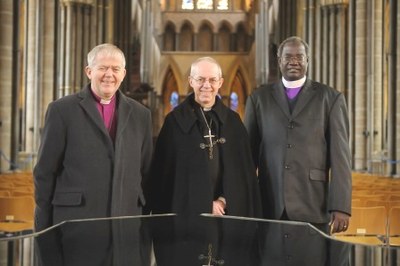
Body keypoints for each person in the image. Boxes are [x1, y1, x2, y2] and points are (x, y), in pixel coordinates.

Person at [34, 43, 153, 265]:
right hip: (76, 230)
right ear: (89, 71)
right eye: (102, 68)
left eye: (116, 69)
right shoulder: (62, 110)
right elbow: (45, 173)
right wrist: (44, 230)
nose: (109, 74)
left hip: (124, 232)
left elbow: (145, 174)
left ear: (124, 74)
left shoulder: (141, 115)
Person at [145, 57, 261, 265]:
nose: (206, 85)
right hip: (186, 221)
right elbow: (164, 180)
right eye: (200, 79)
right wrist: (202, 202)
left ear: (220, 83)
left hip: (226, 218)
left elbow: (244, 177)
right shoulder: (173, 124)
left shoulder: (234, 123)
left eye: (211, 80)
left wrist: (224, 200)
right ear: (191, 81)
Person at [244, 36, 352, 234]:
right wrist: (245, 201)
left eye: (299, 57)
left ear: (308, 61)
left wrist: (341, 206)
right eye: (288, 56)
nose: (294, 61)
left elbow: (340, 157)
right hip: (269, 202)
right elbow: (247, 158)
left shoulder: (330, 98)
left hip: (313, 202)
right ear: (279, 61)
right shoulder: (259, 99)